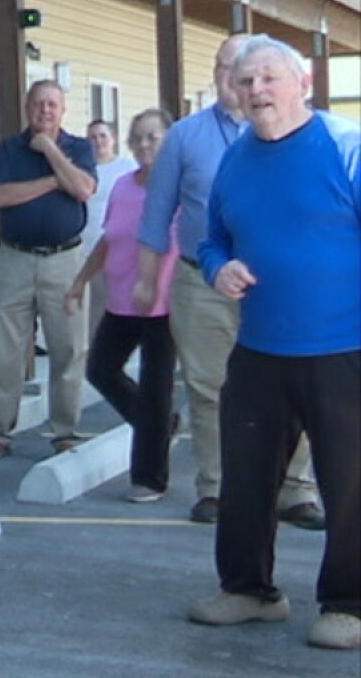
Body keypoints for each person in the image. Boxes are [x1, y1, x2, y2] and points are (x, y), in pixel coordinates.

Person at [184, 37, 359, 652]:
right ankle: (249, 591)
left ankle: (349, 604)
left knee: (350, 484)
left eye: (268, 78)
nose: (256, 90)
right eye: (245, 80)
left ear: (302, 83)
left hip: (343, 349)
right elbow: (211, 241)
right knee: (246, 479)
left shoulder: (345, 146)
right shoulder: (236, 160)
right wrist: (218, 268)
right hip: (259, 350)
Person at [136, 35, 324, 528]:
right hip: (202, 283)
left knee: (295, 385)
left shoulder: (308, 133)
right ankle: (217, 487)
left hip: (281, 289)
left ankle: (294, 489)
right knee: (209, 387)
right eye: (231, 69)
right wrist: (146, 282)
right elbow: (157, 215)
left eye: (260, 73)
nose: (243, 81)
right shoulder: (185, 136)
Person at [0, 80, 96, 460]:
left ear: (63, 110)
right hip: (15, 260)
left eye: (52, 104)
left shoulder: (80, 148)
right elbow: (0, 196)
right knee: (5, 350)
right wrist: (54, 181)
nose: (45, 110)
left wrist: (51, 151)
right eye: (38, 103)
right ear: (28, 108)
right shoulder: (10, 149)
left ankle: (65, 432)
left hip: (65, 261)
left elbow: (83, 189)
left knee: (69, 348)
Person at [65, 109, 177, 504]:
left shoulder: (177, 188)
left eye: (153, 137)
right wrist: (80, 281)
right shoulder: (123, 187)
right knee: (100, 369)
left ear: (169, 141)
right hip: (121, 301)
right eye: (138, 137)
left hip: (162, 305)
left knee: (156, 387)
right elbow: (109, 238)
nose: (144, 144)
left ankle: (149, 478)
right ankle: (160, 426)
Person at [78, 117, 137, 332]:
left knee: (116, 305)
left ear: (113, 139)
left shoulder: (127, 168)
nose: (98, 141)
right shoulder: (81, 169)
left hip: (117, 249)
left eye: (103, 136)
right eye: (92, 137)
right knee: (90, 309)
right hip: (84, 248)